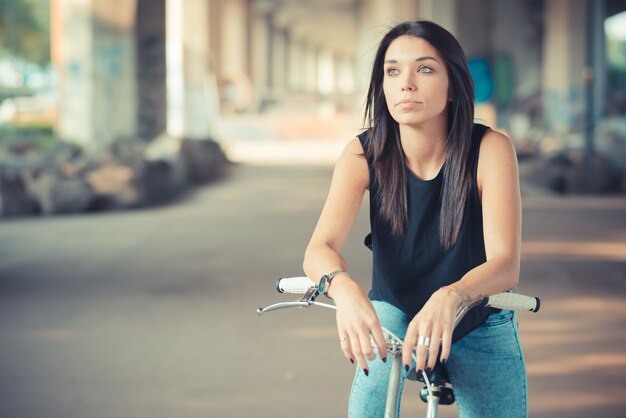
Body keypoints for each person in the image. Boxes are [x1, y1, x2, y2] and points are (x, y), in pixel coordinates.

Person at [302, 20, 527, 418]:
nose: (406, 83)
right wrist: (345, 290)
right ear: (382, 86)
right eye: (392, 71)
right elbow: (320, 248)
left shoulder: (490, 148)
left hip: (476, 312)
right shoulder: (361, 155)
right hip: (394, 308)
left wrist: (451, 296)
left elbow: (505, 264)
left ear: (453, 84)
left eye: (424, 69)